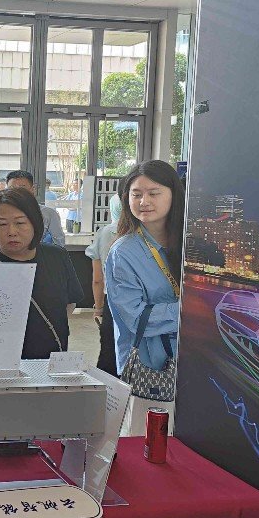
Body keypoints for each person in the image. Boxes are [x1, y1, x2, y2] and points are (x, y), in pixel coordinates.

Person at [105, 160, 185, 435]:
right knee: (148, 443)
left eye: (154, 193)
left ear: (174, 195)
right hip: (151, 369)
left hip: (193, 367)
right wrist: (189, 311)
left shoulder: (191, 245)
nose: (143, 201)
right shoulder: (124, 252)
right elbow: (137, 319)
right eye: (136, 194)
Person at [0, 189, 83, 359]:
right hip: (1, 360)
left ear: (35, 223)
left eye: (20, 223)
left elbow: (69, 302)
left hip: (52, 356)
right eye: (2, 224)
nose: (12, 231)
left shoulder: (57, 256)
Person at [0, 170, 66, 252]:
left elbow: (59, 244)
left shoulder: (48, 213)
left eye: (22, 188)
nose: (17, 192)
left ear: (33, 190)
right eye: (12, 188)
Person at [86, 193, 122, 376]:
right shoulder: (143, 232)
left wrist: (98, 308)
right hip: (140, 302)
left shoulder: (105, 232)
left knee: (108, 351)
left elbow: (98, 278)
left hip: (111, 301)